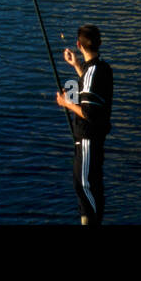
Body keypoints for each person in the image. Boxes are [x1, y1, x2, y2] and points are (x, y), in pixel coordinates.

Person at [55, 24, 114, 225]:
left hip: (88, 139)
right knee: (92, 186)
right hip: (95, 140)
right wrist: (77, 65)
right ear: (100, 43)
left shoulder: (92, 73)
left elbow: (89, 112)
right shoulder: (102, 68)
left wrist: (66, 103)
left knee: (84, 186)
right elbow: (91, 87)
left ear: (78, 44)